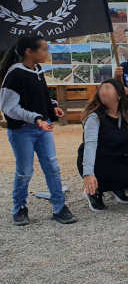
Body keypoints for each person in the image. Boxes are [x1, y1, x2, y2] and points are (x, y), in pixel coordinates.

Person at [1, 36, 76, 225]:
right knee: (25, 170)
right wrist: (36, 118)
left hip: (43, 128)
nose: (47, 53)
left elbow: (40, 96)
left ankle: (59, 208)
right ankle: (19, 209)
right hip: (22, 131)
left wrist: (52, 108)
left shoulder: (37, 70)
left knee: (53, 168)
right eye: (43, 49)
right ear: (29, 51)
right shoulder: (15, 74)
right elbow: (9, 108)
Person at [78, 79, 128, 211]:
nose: (103, 90)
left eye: (108, 87)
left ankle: (116, 188)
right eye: (101, 88)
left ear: (119, 95)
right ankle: (94, 191)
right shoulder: (94, 117)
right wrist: (88, 173)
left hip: (116, 158)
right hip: (97, 161)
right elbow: (90, 146)